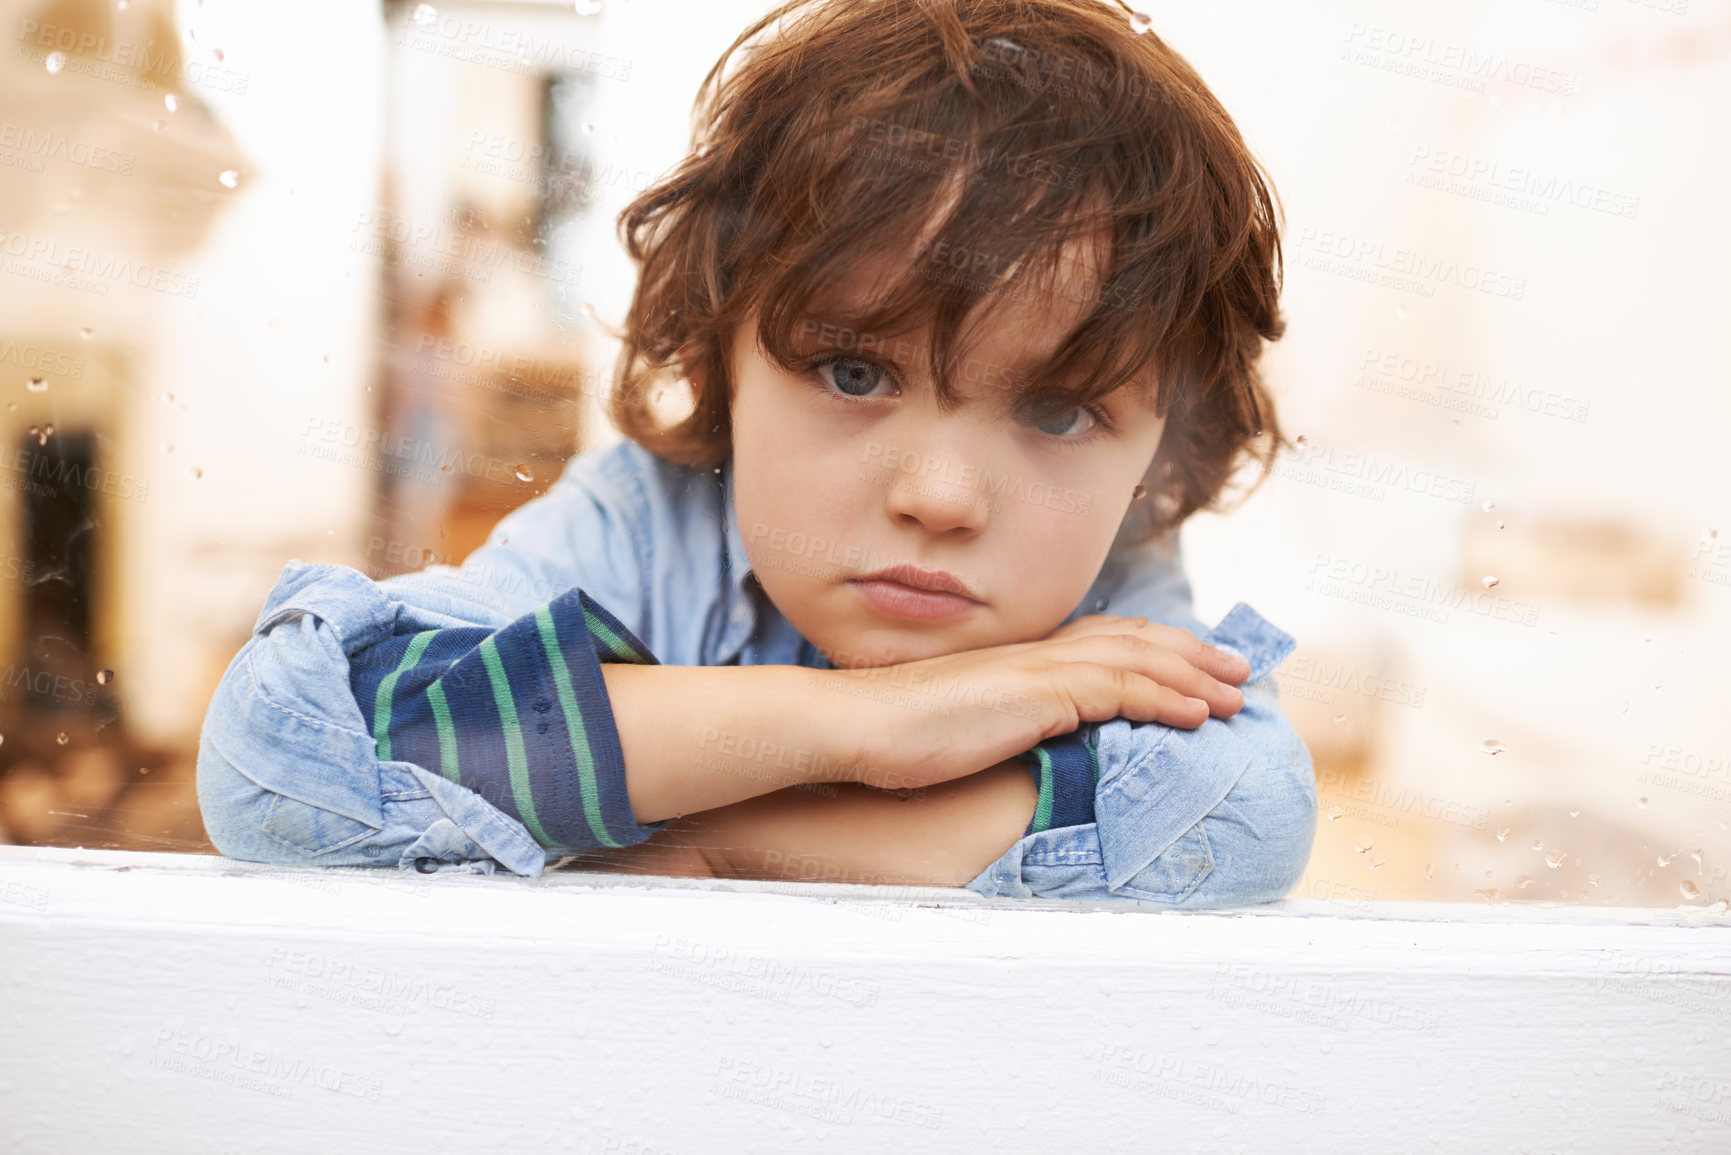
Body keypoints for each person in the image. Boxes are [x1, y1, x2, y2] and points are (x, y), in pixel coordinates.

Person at [196, 0, 1316, 907]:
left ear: (1162, 444)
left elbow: (1239, 807)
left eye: (1062, 411)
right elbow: (291, 753)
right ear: (723, 354)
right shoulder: (646, 520)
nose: (939, 498)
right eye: (855, 373)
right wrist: (878, 730)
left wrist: (731, 840)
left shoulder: (1114, 579)